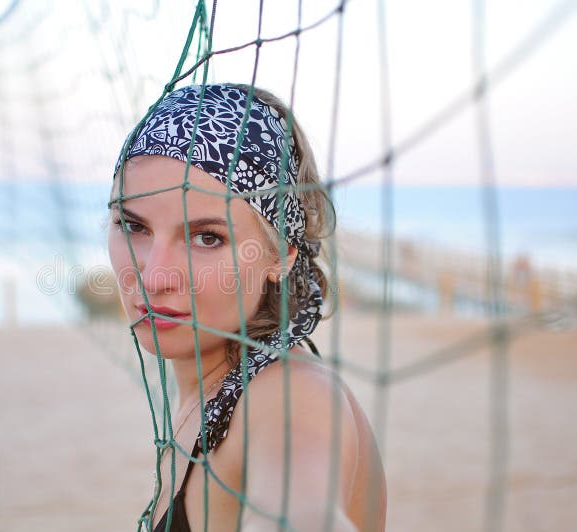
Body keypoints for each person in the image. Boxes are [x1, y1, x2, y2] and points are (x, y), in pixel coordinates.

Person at [107, 84, 386, 531]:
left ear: (281, 255)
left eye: (207, 237)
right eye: (133, 226)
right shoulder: (214, 389)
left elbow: (300, 510)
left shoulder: (293, 393)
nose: (154, 277)